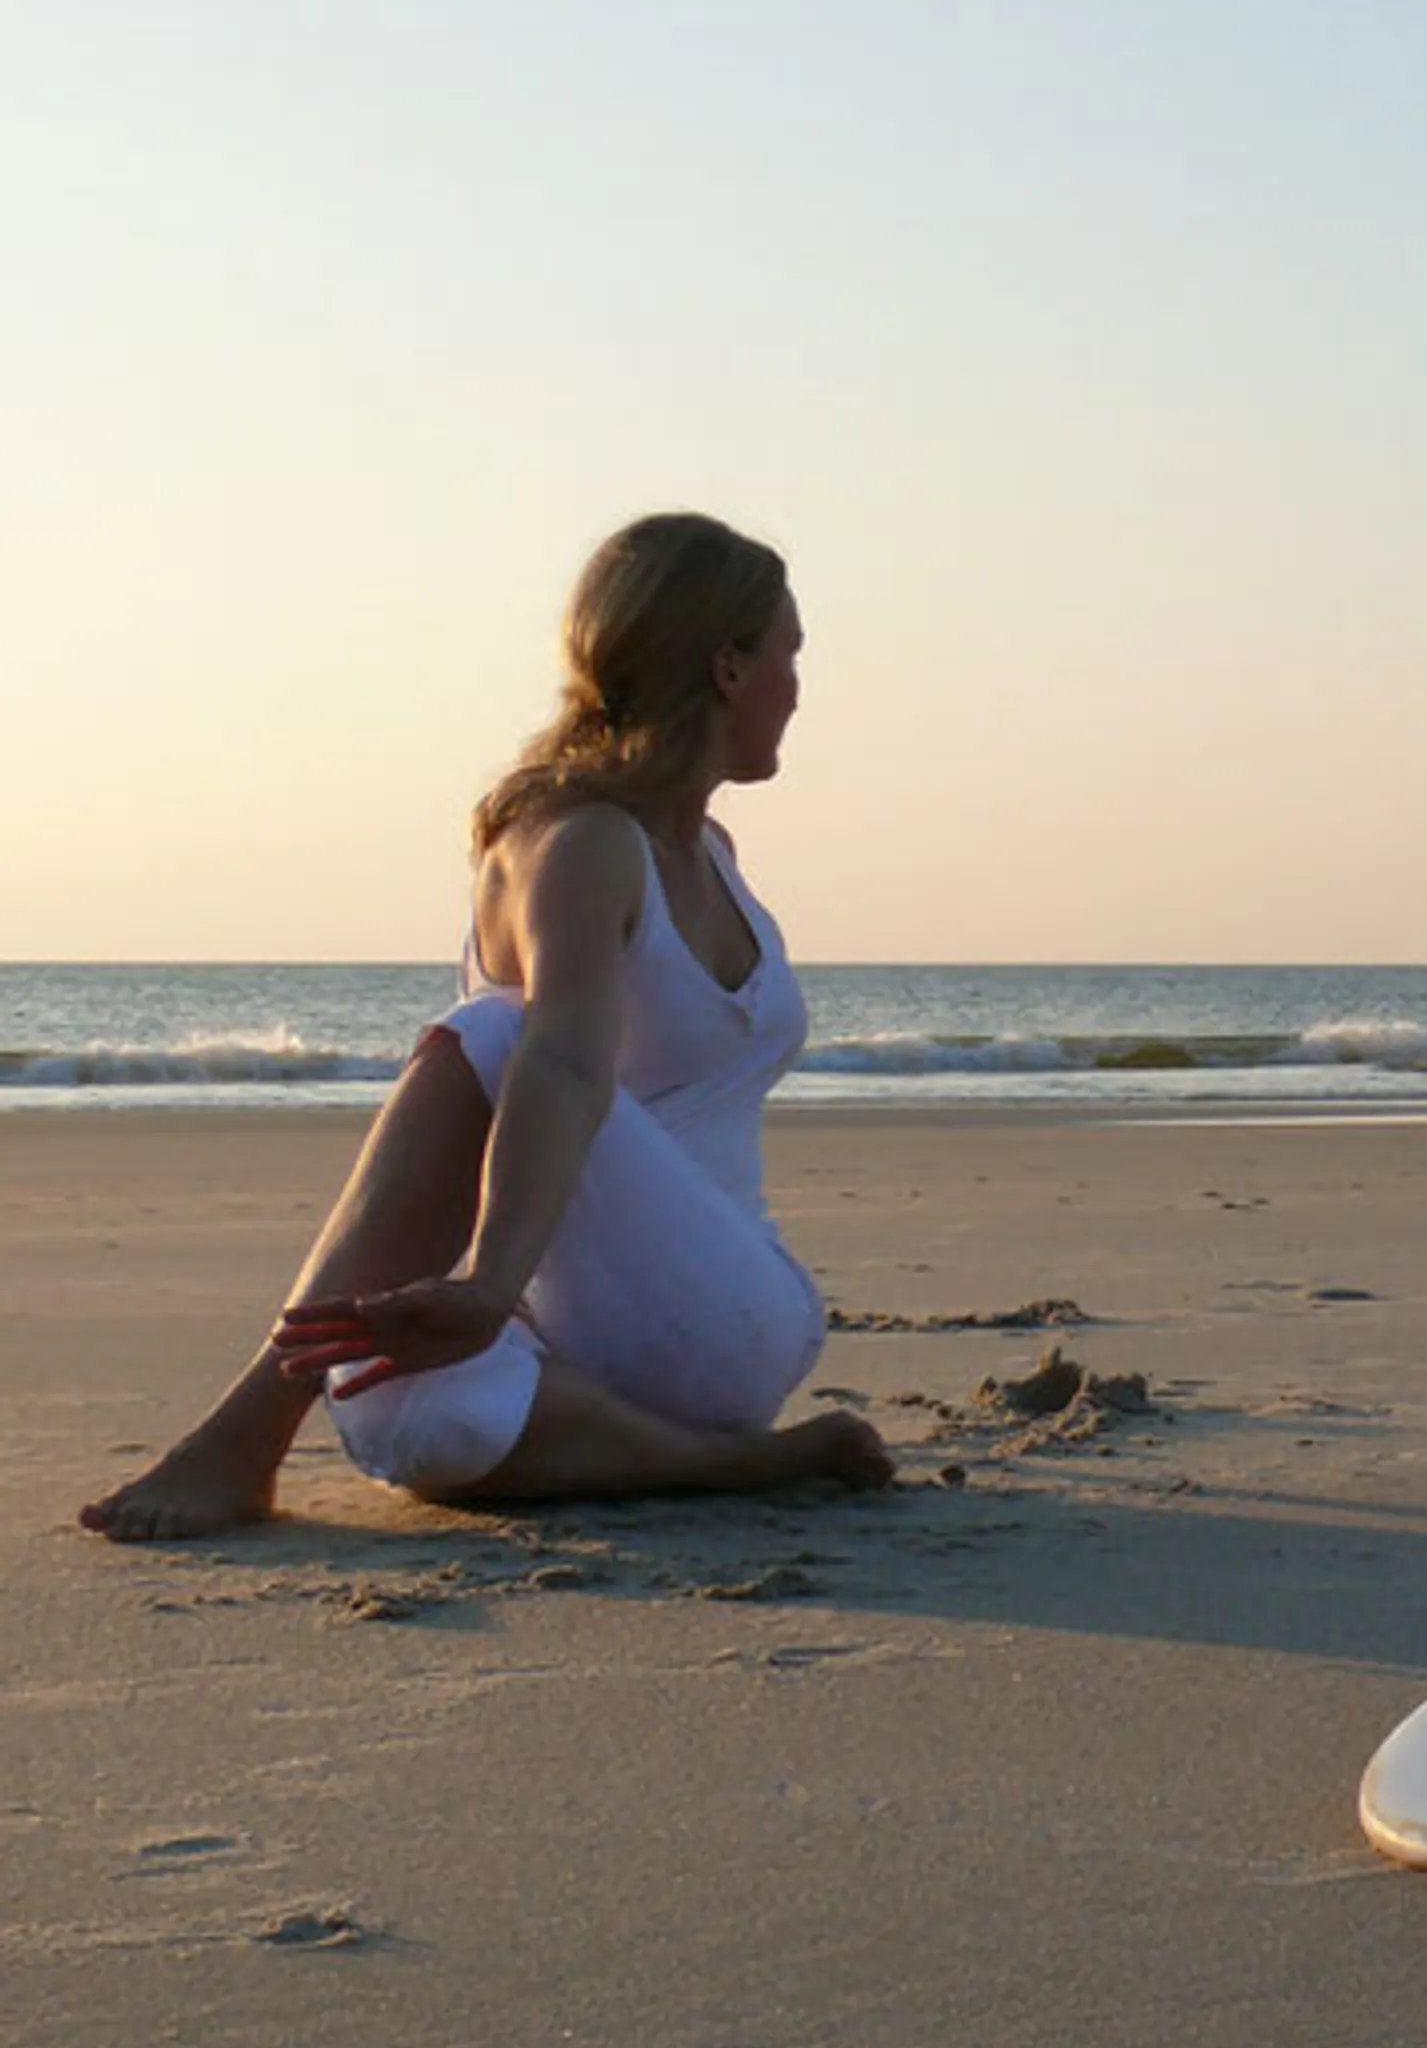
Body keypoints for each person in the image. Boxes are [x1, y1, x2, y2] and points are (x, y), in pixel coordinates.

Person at [81, 513, 895, 1540]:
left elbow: (550, 1061)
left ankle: (248, 1429)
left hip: (717, 1321)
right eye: (789, 653)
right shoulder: (582, 841)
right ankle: (733, 1464)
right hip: (546, 1320)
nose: (797, 685)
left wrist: (484, 1283)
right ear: (728, 666)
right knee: (433, 1429)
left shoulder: (711, 851)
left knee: (495, 1030)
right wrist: (485, 1291)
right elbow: (560, 1066)